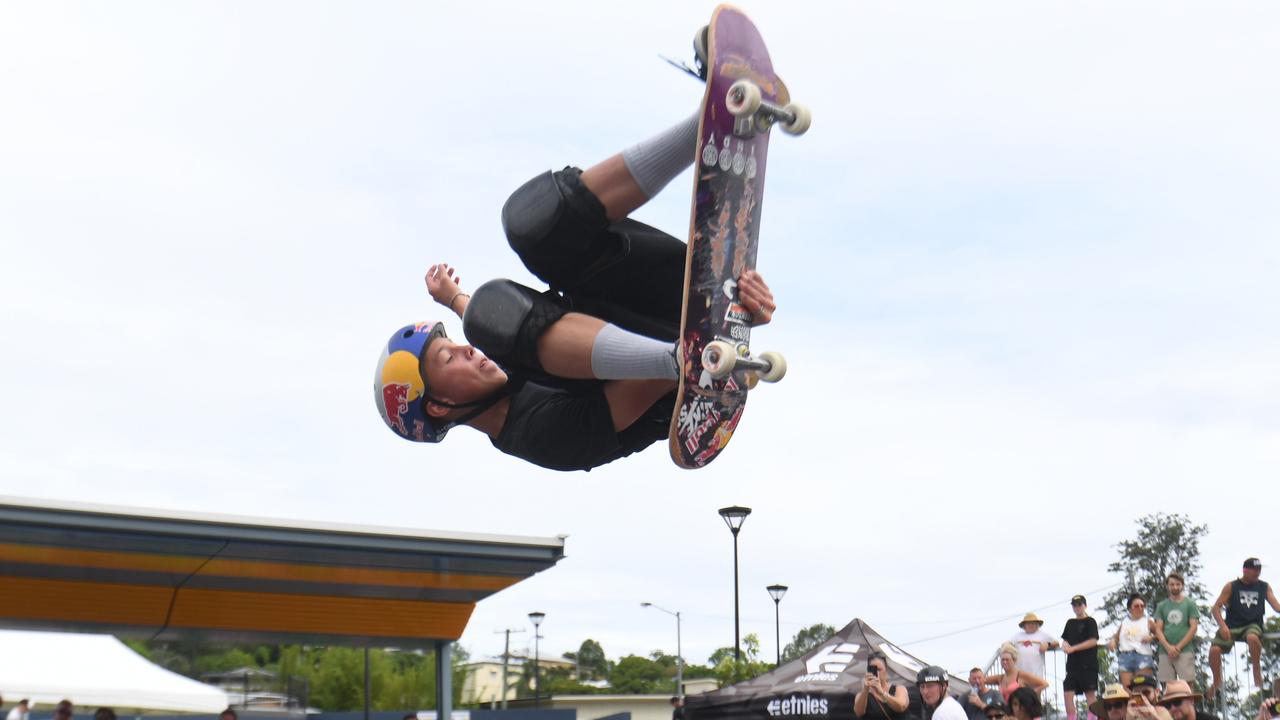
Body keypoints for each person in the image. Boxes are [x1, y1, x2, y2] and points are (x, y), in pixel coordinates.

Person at [374, 102, 779, 471]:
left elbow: (487, 317)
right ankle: (686, 353)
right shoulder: (540, 435)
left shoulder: (497, 356)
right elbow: (636, 395)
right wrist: (719, 330)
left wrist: (452, 297)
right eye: (449, 361)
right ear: (442, 407)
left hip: (659, 296)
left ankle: (705, 125)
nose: (467, 350)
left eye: (454, 347)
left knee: (530, 224)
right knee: (489, 315)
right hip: (681, 378)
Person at [1209, 558, 1279, 697]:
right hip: (1232, 625)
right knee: (1214, 650)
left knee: (1252, 637)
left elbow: (1277, 606)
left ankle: (1256, 671)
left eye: (1259, 570)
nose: (1257, 573)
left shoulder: (1264, 586)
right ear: (1245, 570)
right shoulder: (1231, 586)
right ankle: (1217, 681)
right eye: (1254, 570)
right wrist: (1222, 626)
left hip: (1253, 624)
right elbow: (1216, 608)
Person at [1154, 572, 1199, 683]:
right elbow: (1158, 629)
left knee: (1188, 684)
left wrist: (1178, 647)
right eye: (1172, 584)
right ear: (1167, 586)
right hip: (1165, 651)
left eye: (1178, 584)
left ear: (1182, 585)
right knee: (1168, 686)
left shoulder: (1190, 604)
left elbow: (1193, 628)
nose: (1175, 587)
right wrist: (1168, 647)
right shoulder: (1161, 606)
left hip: (1185, 650)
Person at [1061, 594, 1101, 720]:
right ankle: (1072, 718)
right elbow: (1065, 639)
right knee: (1068, 694)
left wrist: (1074, 648)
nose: (1077, 607)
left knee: (1090, 694)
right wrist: (1065, 645)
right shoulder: (1070, 623)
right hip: (1072, 666)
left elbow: (1093, 641)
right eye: (1075, 605)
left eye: (1080, 605)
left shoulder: (1090, 621)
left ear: (1085, 606)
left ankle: (1092, 718)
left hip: (1088, 664)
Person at [1108, 593, 1156, 689]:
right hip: (1125, 657)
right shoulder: (1124, 622)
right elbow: (1116, 637)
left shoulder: (1148, 621)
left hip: (1142, 655)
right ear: (1130, 609)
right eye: (1136, 606)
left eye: (1142, 606)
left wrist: (1152, 637)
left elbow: (1159, 634)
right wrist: (1113, 641)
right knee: (1128, 689)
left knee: (1144, 687)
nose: (1140, 608)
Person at [855, 652, 909, 720]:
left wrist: (882, 693)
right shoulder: (862, 694)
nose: (877, 673)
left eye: (879, 669)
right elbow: (859, 713)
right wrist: (865, 690)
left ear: (886, 670)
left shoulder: (899, 689)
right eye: (873, 670)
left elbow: (901, 706)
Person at [1010, 613, 1058, 680]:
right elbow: (1008, 644)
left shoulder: (1042, 635)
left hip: (1036, 674)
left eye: (1033, 623)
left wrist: (1047, 644)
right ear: (1024, 626)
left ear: (1037, 625)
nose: (1031, 625)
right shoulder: (1017, 636)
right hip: (1019, 675)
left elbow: (1056, 643)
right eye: (1028, 623)